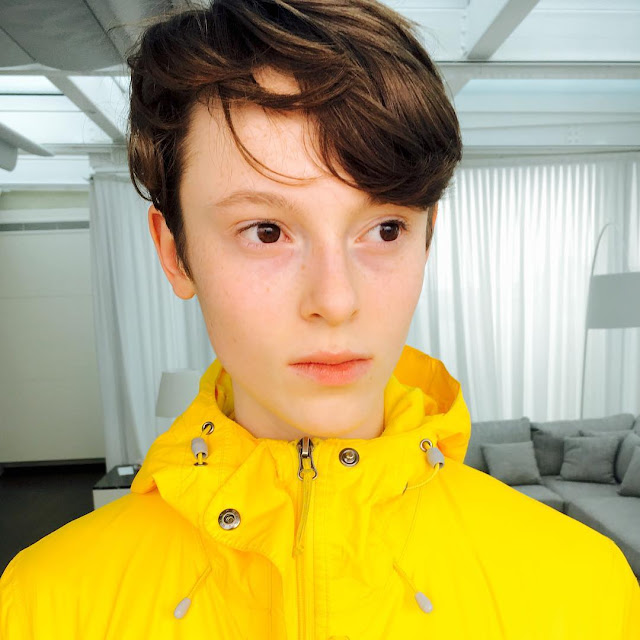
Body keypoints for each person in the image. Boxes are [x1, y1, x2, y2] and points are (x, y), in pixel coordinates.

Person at [1, 0, 639, 637]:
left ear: (427, 239)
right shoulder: (42, 604)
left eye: (385, 229)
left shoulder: (587, 588)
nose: (336, 301)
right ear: (175, 253)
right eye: (266, 230)